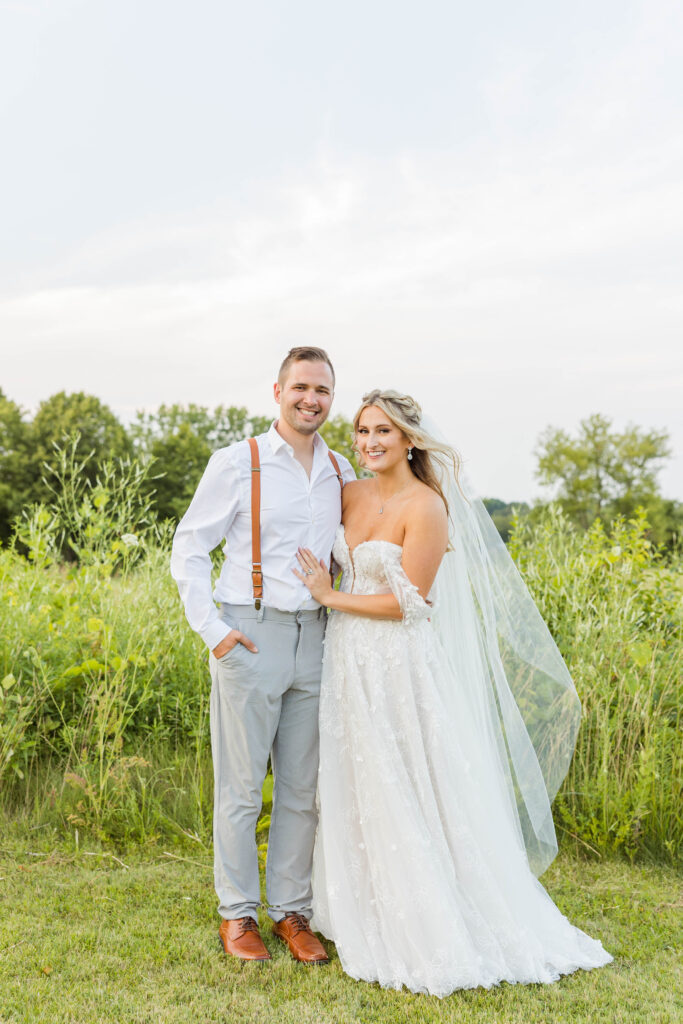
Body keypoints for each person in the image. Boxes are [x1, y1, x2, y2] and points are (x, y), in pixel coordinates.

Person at [293, 388, 613, 996]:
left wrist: (329, 596)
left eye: (383, 432)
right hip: (345, 661)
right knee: (354, 778)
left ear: (410, 439)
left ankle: (426, 916)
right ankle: (355, 905)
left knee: (405, 778)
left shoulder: (428, 506)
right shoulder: (349, 493)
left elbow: (411, 604)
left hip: (396, 661)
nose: (369, 443)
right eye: (362, 432)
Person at [171, 347, 354, 964]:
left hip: (318, 637)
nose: (312, 399)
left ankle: (292, 914)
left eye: (322, 390)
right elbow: (189, 548)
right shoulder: (238, 461)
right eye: (300, 387)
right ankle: (238, 914)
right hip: (249, 634)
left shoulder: (339, 470)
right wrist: (213, 631)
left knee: (303, 790)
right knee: (243, 788)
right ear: (276, 390)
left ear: (332, 397)